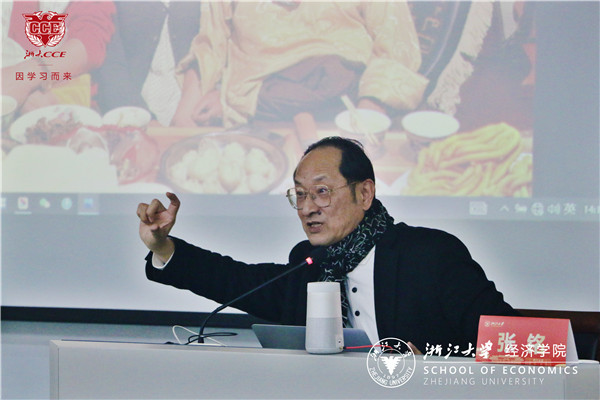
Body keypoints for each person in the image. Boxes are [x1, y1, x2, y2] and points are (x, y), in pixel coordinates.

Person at [138, 136, 519, 352]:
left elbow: (511, 343)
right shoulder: (310, 263)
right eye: (300, 195)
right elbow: (237, 280)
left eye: (321, 192)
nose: (307, 208)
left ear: (364, 193)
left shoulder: (429, 255)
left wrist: (430, 361)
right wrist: (162, 246)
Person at [170, 2, 429, 145]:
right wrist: (186, 117)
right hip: (252, 110)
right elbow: (210, 45)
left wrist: (363, 125)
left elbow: (396, 51)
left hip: (342, 110)